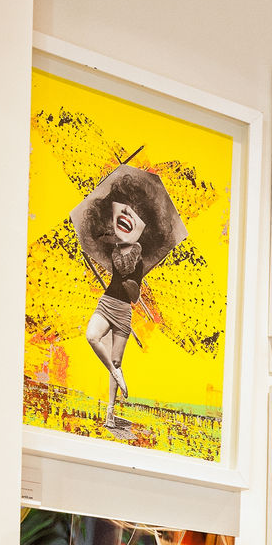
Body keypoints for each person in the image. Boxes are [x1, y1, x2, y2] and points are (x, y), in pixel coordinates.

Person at [71, 164, 185, 428]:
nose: (124, 216)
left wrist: (130, 277)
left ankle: (110, 414)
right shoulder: (113, 249)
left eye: (134, 214)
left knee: (116, 359)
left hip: (123, 311)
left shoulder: (138, 257)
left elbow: (133, 296)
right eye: (120, 211)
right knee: (92, 337)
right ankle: (116, 373)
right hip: (106, 303)